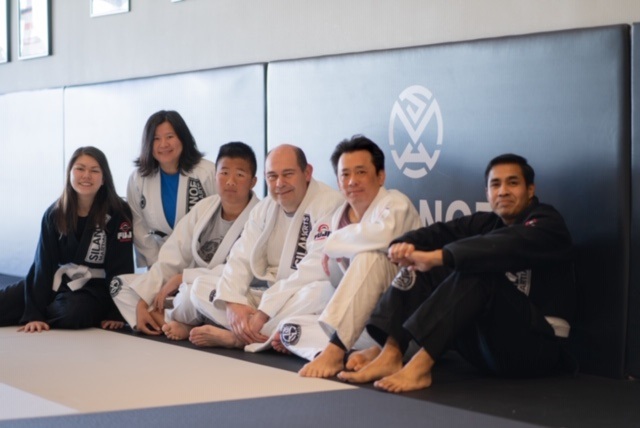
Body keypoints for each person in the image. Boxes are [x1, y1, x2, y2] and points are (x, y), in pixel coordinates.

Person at [337, 153, 576, 392]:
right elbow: (438, 233)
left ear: (530, 189)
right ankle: (391, 353)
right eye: (495, 184)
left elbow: (507, 244)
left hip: (537, 350)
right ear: (487, 193)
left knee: (476, 269)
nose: (503, 191)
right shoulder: (487, 223)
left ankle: (420, 368)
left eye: (512, 183)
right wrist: (404, 244)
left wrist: (437, 257)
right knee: (421, 267)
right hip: (489, 348)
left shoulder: (547, 223)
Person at [276, 136, 421, 377]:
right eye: (345, 175)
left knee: (370, 256)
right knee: (289, 328)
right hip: (362, 325)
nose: (352, 181)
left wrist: (331, 244)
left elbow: (383, 238)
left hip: (404, 324)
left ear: (380, 176)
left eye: (361, 172)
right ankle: (366, 353)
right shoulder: (336, 219)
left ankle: (334, 352)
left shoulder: (396, 204)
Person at [172, 144, 343, 349]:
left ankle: (238, 338)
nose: (279, 183)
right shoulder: (264, 209)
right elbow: (240, 258)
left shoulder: (329, 204)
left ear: (307, 173)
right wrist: (234, 302)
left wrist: (265, 312)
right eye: (272, 176)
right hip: (265, 300)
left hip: (297, 298)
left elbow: (316, 268)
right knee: (201, 286)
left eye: (287, 174)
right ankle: (262, 334)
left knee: (324, 291)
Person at [111, 142, 260, 336]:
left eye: (239, 175)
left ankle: (175, 322)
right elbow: (173, 254)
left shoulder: (260, 216)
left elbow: (244, 271)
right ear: (215, 175)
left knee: (192, 294)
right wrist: (143, 299)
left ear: (253, 181)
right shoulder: (204, 208)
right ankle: (179, 323)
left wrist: (184, 278)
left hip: (231, 293)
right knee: (120, 286)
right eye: (224, 173)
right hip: (190, 290)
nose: (230, 181)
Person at [0, 146, 134, 331]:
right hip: (58, 282)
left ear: (104, 179)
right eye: (80, 169)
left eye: (94, 170)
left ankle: (57, 306)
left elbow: (121, 266)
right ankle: (44, 306)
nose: (86, 175)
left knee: (72, 313)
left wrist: (116, 312)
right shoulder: (55, 213)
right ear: (70, 173)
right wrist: (34, 315)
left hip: (95, 288)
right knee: (4, 302)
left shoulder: (118, 212)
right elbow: (44, 264)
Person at [127, 110, 217, 268]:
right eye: (156, 139)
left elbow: (222, 219)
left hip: (203, 263)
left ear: (183, 138)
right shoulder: (138, 178)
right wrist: (159, 265)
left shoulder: (208, 172)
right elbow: (138, 226)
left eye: (170, 137)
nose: (163, 145)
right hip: (159, 261)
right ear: (148, 143)